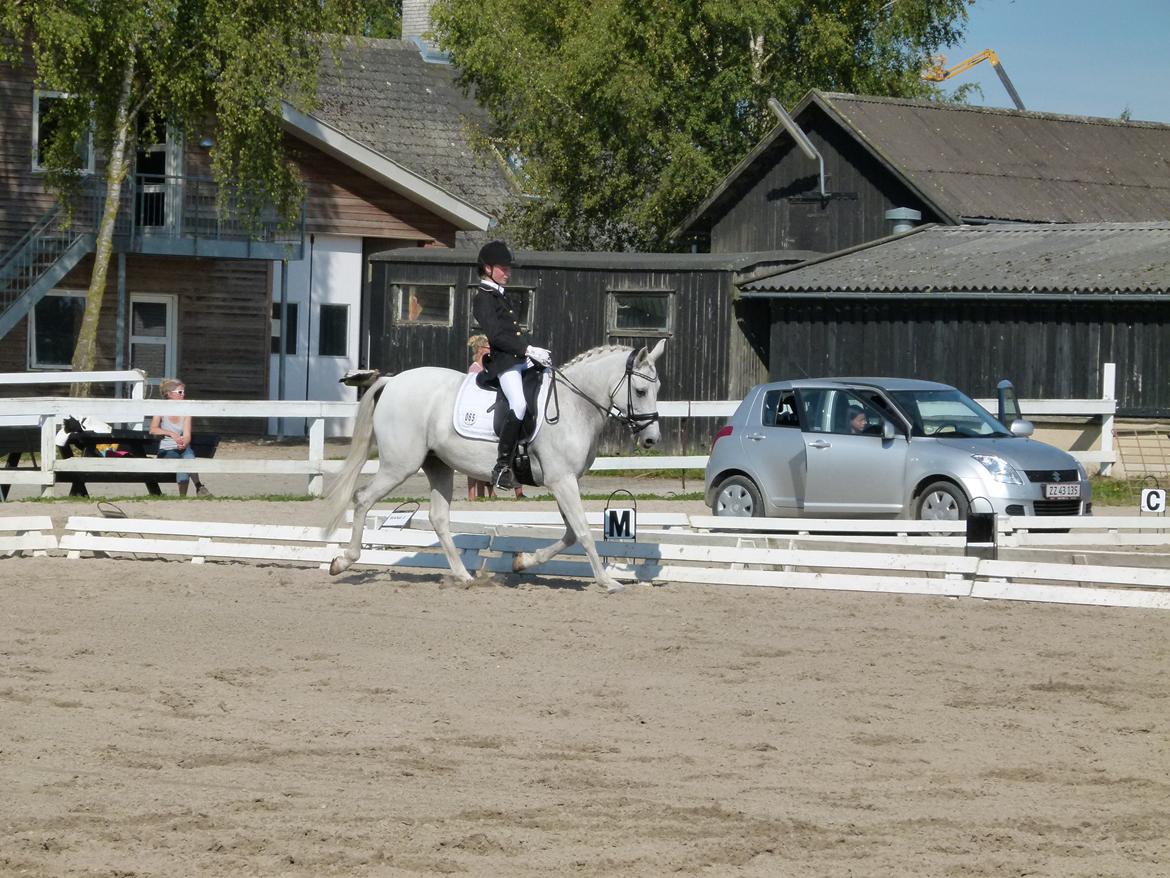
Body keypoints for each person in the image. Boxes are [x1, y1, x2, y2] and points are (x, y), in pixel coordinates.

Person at [471, 240, 551, 490]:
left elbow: (514, 333)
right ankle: (502, 465)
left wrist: (533, 353)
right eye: (503, 268)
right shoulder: (483, 298)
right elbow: (497, 337)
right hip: (504, 363)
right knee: (518, 403)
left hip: (519, 360)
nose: (508, 272)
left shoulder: (500, 295)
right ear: (487, 268)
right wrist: (527, 349)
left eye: (508, 268)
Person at [150, 378, 211, 497]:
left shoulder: (186, 411)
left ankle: (184, 496)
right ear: (169, 394)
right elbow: (153, 429)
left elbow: (187, 434)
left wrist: (184, 442)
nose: (183, 395)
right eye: (180, 392)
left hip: (182, 447)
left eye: (183, 392)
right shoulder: (160, 408)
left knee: (188, 456)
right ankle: (197, 487)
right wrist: (171, 433)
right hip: (167, 449)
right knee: (184, 461)